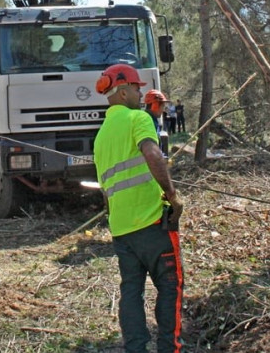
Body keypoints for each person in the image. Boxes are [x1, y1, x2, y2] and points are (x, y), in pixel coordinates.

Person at [93, 64, 185, 353]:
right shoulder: (138, 118)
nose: (140, 92)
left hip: (121, 229)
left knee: (131, 291)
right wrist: (172, 195)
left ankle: (135, 348)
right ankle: (170, 348)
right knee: (171, 287)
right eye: (136, 87)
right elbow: (152, 153)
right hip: (152, 222)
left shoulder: (100, 137)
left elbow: (106, 191)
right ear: (121, 91)